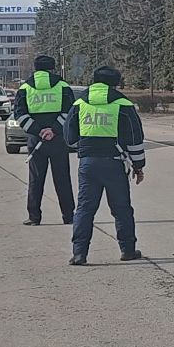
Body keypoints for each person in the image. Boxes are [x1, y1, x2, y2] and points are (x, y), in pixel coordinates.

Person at [69, 65, 147, 266]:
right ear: (115, 83)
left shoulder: (80, 102)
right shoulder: (123, 104)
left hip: (87, 164)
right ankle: (127, 250)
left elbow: (69, 137)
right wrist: (138, 166)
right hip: (115, 163)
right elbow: (135, 138)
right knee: (122, 209)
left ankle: (79, 254)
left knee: (85, 209)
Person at [14, 55, 76, 226]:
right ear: (52, 68)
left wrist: (38, 130)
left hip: (36, 140)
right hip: (58, 139)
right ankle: (68, 216)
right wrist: (53, 130)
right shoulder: (62, 86)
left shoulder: (25, 87)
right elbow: (70, 112)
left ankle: (34, 217)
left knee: (35, 179)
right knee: (62, 178)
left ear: (35, 68)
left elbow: (19, 114)